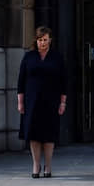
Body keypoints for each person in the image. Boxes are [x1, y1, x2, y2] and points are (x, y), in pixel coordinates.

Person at [17, 26, 67, 177]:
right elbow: (21, 81)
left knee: (49, 135)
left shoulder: (57, 57)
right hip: (31, 101)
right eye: (40, 40)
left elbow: (63, 81)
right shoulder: (29, 57)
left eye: (45, 40)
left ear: (50, 40)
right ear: (36, 40)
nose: (42, 43)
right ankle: (36, 165)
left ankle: (48, 166)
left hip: (51, 101)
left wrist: (62, 102)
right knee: (34, 134)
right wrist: (20, 102)